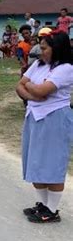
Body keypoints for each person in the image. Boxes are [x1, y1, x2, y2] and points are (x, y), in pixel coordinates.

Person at [16, 31, 73, 223]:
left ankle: (52, 209)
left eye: (44, 48)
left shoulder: (65, 68)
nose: (41, 52)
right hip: (34, 115)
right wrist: (35, 95)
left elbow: (41, 89)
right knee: (35, 161)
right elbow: (20, 86)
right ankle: (42, 204)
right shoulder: (39, 64)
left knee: (52, 162)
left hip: (54, 118)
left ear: (56, 49)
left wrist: (32, 87)